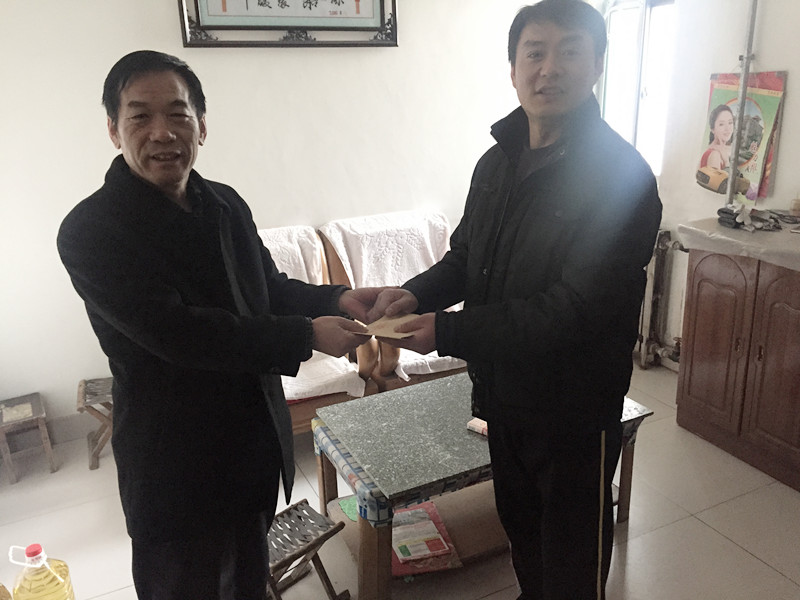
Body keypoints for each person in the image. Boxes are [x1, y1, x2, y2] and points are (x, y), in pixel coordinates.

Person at [358, 1, 662, 598]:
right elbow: (468, 257)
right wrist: (413, 293)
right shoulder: (496, 162)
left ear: (597, 65)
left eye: (570, 51)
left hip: (576, 413)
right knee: (523, 536)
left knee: (571, 561)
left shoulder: (622, 178)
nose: (550, 68)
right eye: (535, 53)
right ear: (514, 68)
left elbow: (574, 310)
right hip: (502, 398)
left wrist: (445, 332)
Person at [57, 50, 375, 600]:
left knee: (248, 582)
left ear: (201, 126)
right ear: (113, 129)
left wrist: (339, 297)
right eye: (140, 116)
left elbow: (266, 288)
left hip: (252, 445)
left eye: (178, 114)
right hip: (174, 466)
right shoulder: (91, 231)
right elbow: (180, 334)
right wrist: (307, 335)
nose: (162, 132)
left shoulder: (225, 204)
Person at [700, 103, 734, 169]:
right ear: (713, 129)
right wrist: (726, 162)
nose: (727, 128)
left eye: (730, 123)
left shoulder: (721, 150)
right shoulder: (715, 155)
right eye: (721, 124)